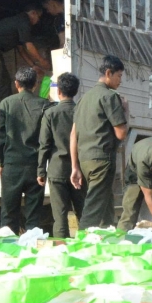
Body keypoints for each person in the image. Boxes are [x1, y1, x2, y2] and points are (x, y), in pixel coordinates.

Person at [70, 55, 130, 229]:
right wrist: (126, 110)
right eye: (119, 76)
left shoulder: (82, 99)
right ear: (109, 73)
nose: (120, 81)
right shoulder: (109, 97)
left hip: (85, 159)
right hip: (102, 159)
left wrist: (75, 166)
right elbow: (121, 133)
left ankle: (109, 235)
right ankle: (82, 242)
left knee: (105, 202)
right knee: (94, 205)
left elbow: (73, 134)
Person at [0, 66, 51, 233]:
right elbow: (47, 138)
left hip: (12, 165)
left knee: (9, 213)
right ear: (35, 85)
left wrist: (1, 162)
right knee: (33, 215)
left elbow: (1, 136)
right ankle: (32, 246)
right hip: (35, 166)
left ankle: (7, 248)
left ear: (16, 84)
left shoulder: (6, 103)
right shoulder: (44, 105)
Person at [38, 72, 85, 238]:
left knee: (60, 217)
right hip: (80, 171)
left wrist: (41, 171)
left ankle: (61, 252)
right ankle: (87, 249)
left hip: (57, 170)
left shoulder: (50, 113)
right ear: (76, 91)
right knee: (83, 214)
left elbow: (44, 145)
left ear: (59, 91)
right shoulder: (82, 112)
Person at [0, 3, 51, 103]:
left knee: (5, 79)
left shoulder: (20, 24)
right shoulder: (24, 20)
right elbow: (29, 46)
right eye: (39, 16)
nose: (38, 21)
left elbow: (21, 49)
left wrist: (33, 65)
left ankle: (3, 103)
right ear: (33, 13)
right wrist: (42, 61)